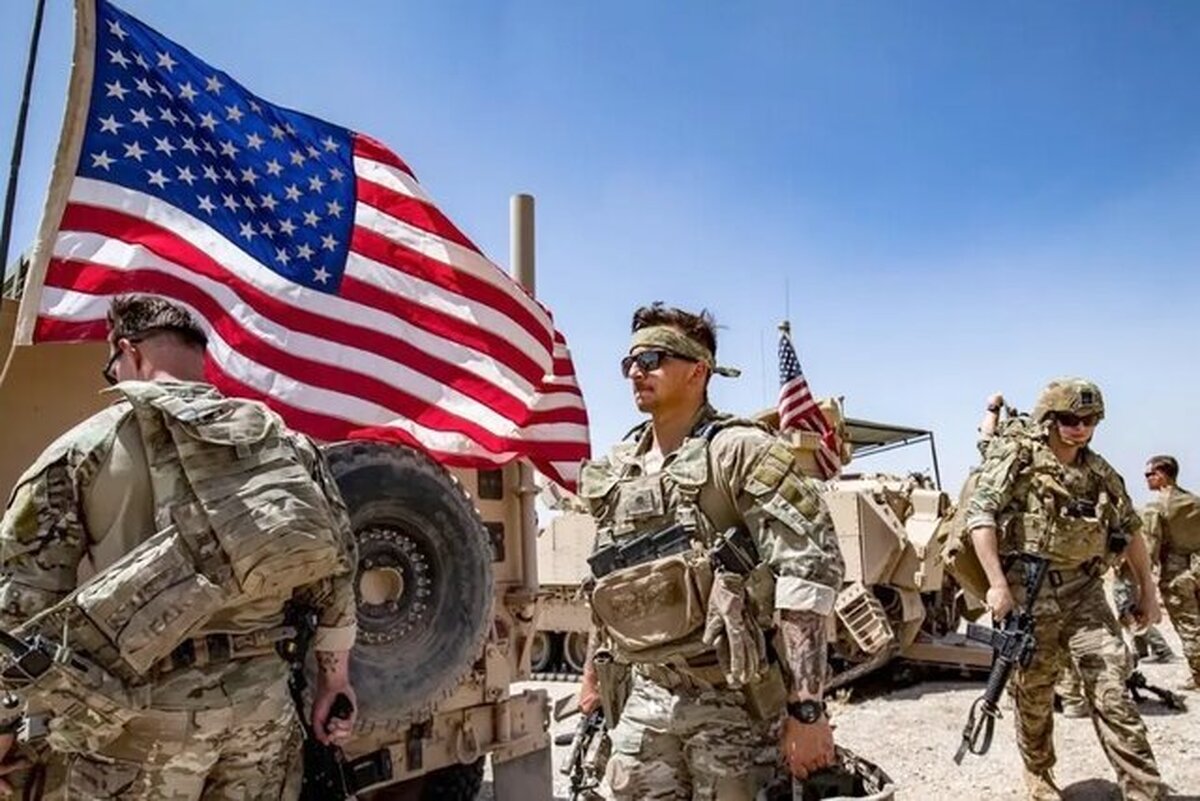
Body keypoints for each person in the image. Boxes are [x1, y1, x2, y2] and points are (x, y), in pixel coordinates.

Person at [0, 295, 358, 800]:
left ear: (130, 352)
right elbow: (337, 571)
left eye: (112, 365)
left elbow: (21, 602)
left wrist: (4, 727)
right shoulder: (284, 444)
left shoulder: (85, 448)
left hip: (139, 720)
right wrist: (334, 683)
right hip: (261, 713)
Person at [575, 303, 845, 800]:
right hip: (647, 699)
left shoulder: (741, 452)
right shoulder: (618, 471)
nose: (636, 371)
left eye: (652, 359)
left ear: (698, 370)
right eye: (630, 362)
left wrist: (807, 710)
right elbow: (606, 583)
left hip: (736, 704)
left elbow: (807, 574)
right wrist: (592, 677)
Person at [965, 377, 1165, 801]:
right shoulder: (1019, 459)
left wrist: (1148, 590)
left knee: (1113, 689)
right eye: (1071, 420)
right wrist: (997, 585)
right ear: (1050, 419)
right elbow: (980, 516)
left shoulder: (1099, 472)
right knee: (1034, 694)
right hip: (1029, 593)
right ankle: (1038, 775)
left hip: (1084, 592)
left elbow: (1130, 529)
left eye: (1089, 420)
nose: (1080, 428)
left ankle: (1144, 789)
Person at [1142, 455, 1200, 690]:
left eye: (1149, 474)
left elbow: (1151, 546)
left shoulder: (1156, 507)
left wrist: (1145, 579)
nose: (1146, 479)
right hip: (1197, 565)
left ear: (1162, 475)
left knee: (1189, 626)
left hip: (1176, 572)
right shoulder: (1194, 501)